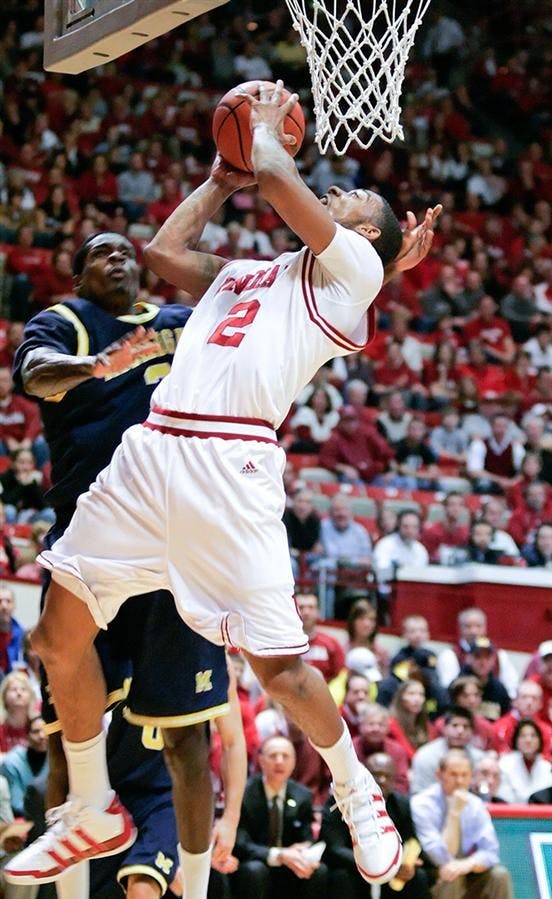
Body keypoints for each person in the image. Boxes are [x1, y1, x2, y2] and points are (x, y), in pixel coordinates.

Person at [8, 81, 441, 888]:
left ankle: (354, 785)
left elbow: (279, 174)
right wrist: (217, 177)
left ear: (368, 234)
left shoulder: (352, 276)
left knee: (279, 670)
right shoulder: (254, 272)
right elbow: (165, 256)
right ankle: (94, 804)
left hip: (228, 468)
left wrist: (265, 132)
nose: (339, 189)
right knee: (55, 634)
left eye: (353, 196)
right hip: (152, 451)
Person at [9, 231, 235, 897]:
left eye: (127, 251)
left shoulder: (179, 323)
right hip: (89, 538)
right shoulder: (64, 323)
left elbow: (253, 317)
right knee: (61, 733)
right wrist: (102, 364)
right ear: (76, 270)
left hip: (173, 544)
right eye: (101, 251)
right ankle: (77, 860)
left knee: (186, 739)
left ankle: (191, 891)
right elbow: (35, 375)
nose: (120, 258)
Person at [229, 735, 328, 899]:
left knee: (318, 870)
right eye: (273, 756)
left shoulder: (302, 795)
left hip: (290, 866)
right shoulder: (244, 794)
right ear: (261, 760)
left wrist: (303, 848)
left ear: (294, 762)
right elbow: (241, 844)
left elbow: (307, 837)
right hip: (256, 863)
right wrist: (278, 854)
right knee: (255, 870)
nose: (279, 761)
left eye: (285, 756)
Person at [321, 752, 431, 898]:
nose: (382, 780)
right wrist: (378, 866)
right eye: (376, 775)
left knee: (418, 876)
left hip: (391, 868)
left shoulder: (401, 804)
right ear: (365, 777)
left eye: (387, 776)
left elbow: (411, 840)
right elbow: (335, 848)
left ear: (394, 780)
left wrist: (407, 864)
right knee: (341, 877)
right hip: (352, 867)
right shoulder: (340, 801)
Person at [411, 750, 513, 899]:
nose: (459, 781)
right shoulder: (422, 804)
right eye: (453, 774)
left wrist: (468, 864)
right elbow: (441, 857)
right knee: (451, 874)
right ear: (439, 775)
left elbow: (491, 852)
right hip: (431, 874)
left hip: (465, 870)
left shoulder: (476, 804)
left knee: (500, 875)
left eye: (464, 775)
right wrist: (454, 813)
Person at [436, 608, 519, 700]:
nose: (473, 631)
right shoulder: (449, 656)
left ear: (485, 627)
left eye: (478, 626)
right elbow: (449, 690)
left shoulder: (500, 655)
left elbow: (512, 690)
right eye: (468, 626)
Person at [410, 709, 485, 795]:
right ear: (444, 728)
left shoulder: (479, 759)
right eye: (455, 725)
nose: (460, 731)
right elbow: (418, 794)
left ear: (472, 732)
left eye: (465, 727)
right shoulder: (426, 756)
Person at [1, 716, 47, 817]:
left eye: (46, 730)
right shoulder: (11, 763)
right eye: (36, 731)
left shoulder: (58, 760)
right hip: (22, 819)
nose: (42, 736)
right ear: (27, 735)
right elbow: (16, 803)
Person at [498, 719, 552, 804]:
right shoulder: (504, 764)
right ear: (516, 740)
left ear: (540, 740)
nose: (528, 740)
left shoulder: (547, 767)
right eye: (523, 736)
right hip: (511, 814)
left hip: (541, 815)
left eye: (533, 736)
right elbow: (503, 797)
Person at [295, 593, 345, 683]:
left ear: (318, 611)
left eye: (311, 607)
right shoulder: (286, 645)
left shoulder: (331, 643)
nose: (306, 612)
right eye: (301, 607)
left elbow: (341, 676)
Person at [0, 586, 25, 676]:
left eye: (8, 601)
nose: (4, 606)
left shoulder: (23, 635)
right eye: (0, 601)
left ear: (14, 606)